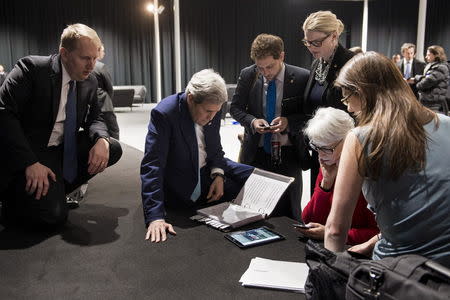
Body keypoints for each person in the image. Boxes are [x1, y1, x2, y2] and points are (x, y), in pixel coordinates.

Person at [325, 51, 450, 267]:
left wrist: (327, 277)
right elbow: (424, 210)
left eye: (346, 97)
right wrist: (374, 241)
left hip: (396, 275)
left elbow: (335, 231)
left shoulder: (361, 138)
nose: (347, 106)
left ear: (363, 93)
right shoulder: (447, 124)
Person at [0, 23, 122, 227]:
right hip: (28, 152)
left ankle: (55, 190)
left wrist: (102, 139)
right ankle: (14, 201)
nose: (92, 65)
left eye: (95, 58)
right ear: (64, 54)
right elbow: (3, 113)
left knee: (113, 148)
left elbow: (95, 118)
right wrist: (29, 162)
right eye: (85, 58)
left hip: (60, 150)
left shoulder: (89, 81)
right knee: (54, 217)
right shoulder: (32, 69)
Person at [141, 69, 254, 243]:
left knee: (259, 179)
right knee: (239, 190)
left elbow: (215, 147)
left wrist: (218, 174)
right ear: (191, 98)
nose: (212, 118)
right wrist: (155, 216)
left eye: (216, 112)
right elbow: (153, 165)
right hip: (182, 177)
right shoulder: (165, 113)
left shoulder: (212, 108)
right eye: (208, 112)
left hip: (207, 168)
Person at [230, 33, 310, 221]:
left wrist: (289, 122)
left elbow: (310, 116)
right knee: (252, 208)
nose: (265, 73)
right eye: (260, 67)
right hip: (256, 152)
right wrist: (252, 121)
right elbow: (235, 108)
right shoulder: (248, 74)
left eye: (269, 67)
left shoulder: (301, 77)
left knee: (290, 211)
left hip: (289, 154)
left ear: (281, 56)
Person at [297, 107, 378, 245]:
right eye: (316, 147)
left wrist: (333, 234)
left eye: (326, 149)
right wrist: (326, 184)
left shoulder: (368, 173)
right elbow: (309, 219)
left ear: (348, 140)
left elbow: (379, 234)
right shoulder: (330, 165)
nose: (320, 156)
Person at [301, 10, 355, 195]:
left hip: (342, 150)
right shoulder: (317, 64)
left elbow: (357, 112)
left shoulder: (351, 63)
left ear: (334, 36)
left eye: (316, 42)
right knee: (319, 199)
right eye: (307, 42)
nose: (310, 47)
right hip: (320, 149)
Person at [412, 45, 449, 114]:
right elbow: (426, 78)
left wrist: (417, 83)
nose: (426, 57)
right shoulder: (433, 66)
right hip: (428, 102)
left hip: (433, 104)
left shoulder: (441, 67)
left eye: (428, 55)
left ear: (436, 55)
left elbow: (426, 82)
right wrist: (418, 78)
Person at [93, 44, 120, 139]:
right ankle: (115, 151)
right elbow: (109, 87)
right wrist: (109, 101)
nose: (104, 53)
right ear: (98, 51)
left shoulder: (82, 67)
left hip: (90, 105)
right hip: (104, 104)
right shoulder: (101, 67)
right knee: (113, 130)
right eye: (102, 51)